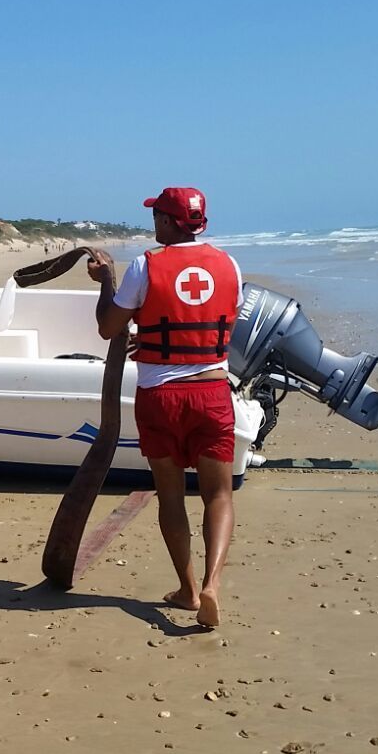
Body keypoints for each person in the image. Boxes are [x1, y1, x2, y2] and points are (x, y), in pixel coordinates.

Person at [86, 187, 243, 629]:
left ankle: (188, 590)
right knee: (219, 495)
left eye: (157, 214)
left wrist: (106, 282)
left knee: (171, 496)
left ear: (171, 222)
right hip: (212, 395)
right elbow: (214, 322)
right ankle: (212, 584)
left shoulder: (145, 265)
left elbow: (107, 328)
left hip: (160, 398)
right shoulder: (229, 264)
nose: (153, 220)